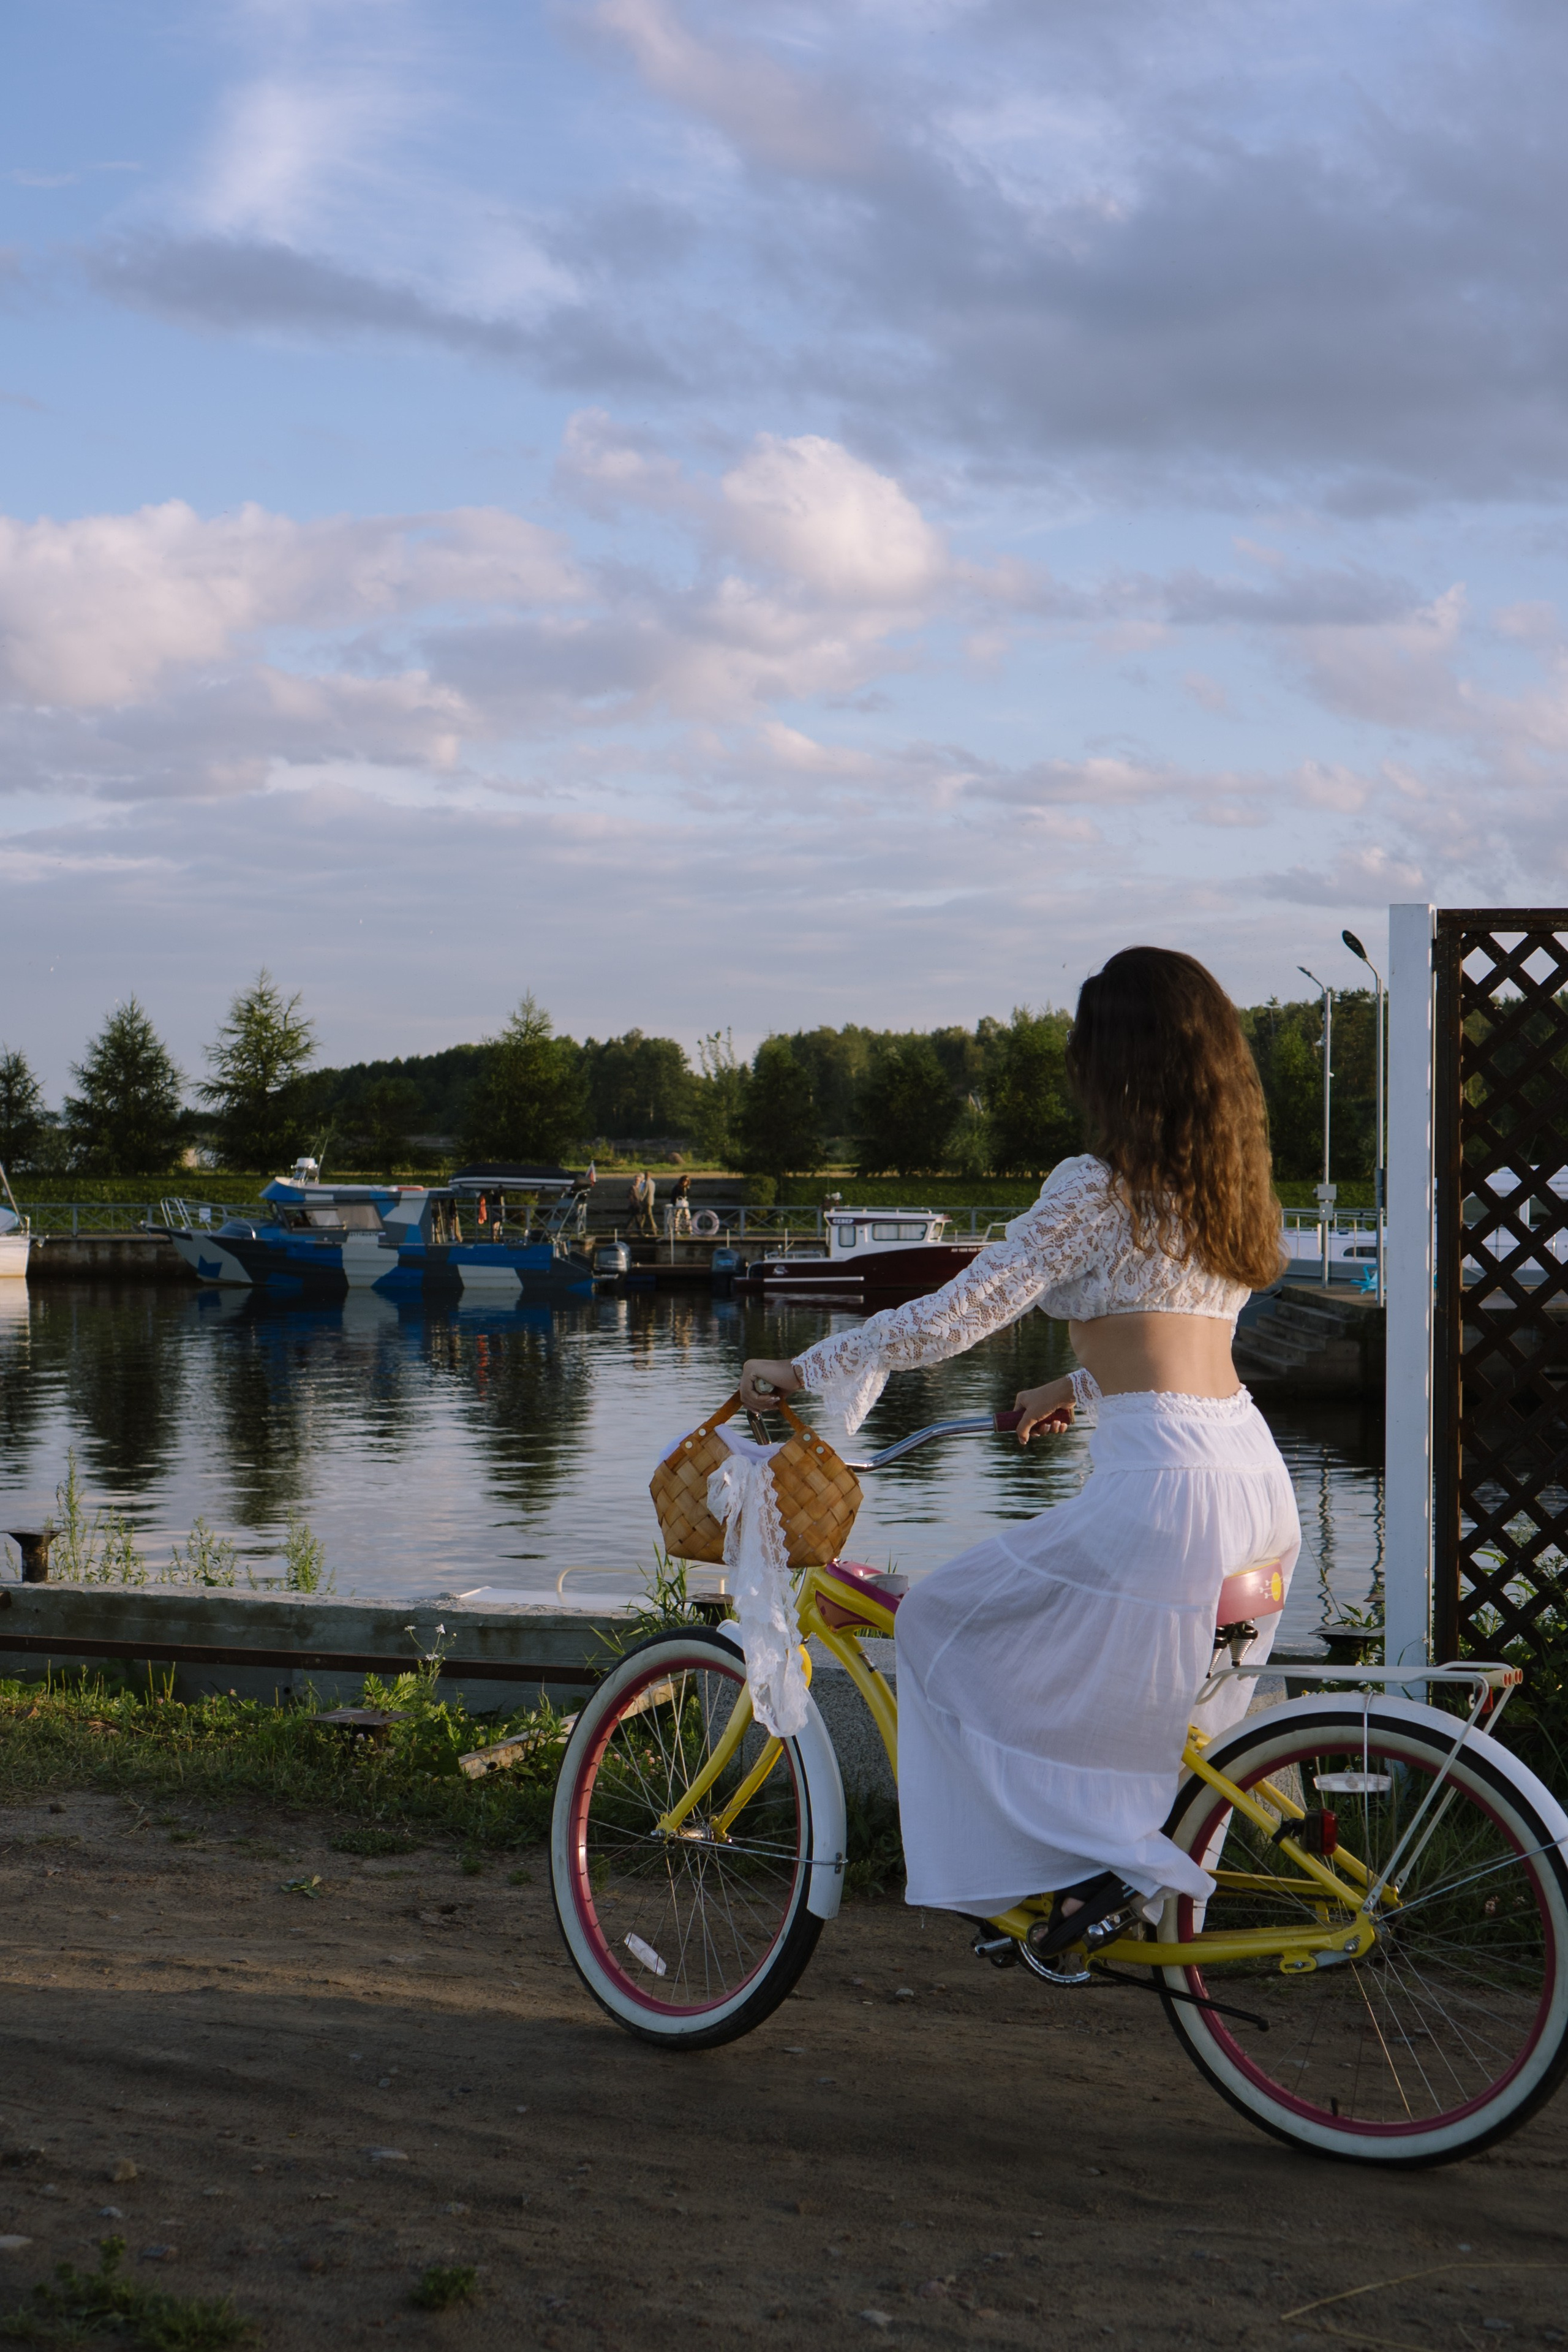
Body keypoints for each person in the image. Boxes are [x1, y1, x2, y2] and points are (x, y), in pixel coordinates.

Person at [739, 946, 1299, 1956]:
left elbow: (964, 1312)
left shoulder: (1098, 1189)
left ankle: (1079, 1865)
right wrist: (1076, 1385)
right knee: (1147, 1704)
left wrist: (809, 1369)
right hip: (1252, 1478)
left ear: (1116, 1064)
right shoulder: (1222, 1193)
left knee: (943, 1623)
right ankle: (1104, 1874)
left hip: (1164, 1492)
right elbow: (1181, 1337)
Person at [631, 1169, 658, 1238]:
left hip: (647, 1202)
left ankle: (654, 1229)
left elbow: (644, 1193)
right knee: (643, 1216)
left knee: (649, 1216)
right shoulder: (653, 1182)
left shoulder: (647, 1183)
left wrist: (640, 1199)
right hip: (651, 1201)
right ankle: (640, 1229)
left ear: (646, 1176)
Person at [670, 1172, 693, 1236]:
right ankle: (676, 1231)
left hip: (685, 1203)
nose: (685, 1182)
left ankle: (690, 1230)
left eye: (686, 1181)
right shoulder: (677, 1187)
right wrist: (674, 1204)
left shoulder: (687, 1188)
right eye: (684, 1181)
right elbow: (674, 1196)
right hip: (679, 1203)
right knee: (677, 1217)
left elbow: (687, 1195)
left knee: (687, 1216)